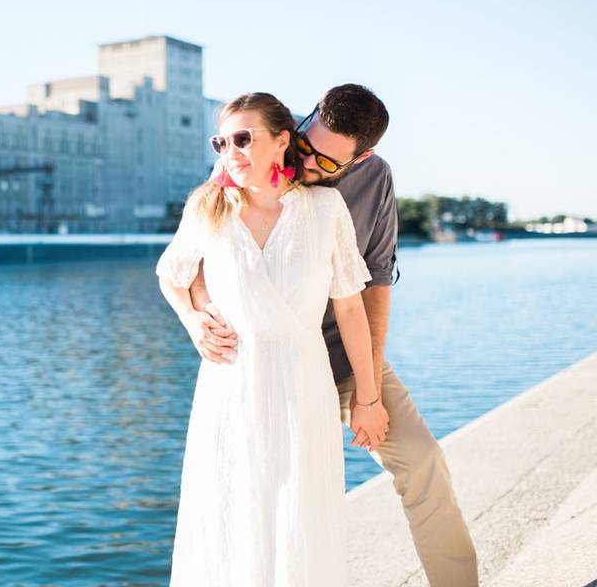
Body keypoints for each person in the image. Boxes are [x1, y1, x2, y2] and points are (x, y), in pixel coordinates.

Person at [188, 84, 478, 587]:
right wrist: (198, 318)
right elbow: (192, 260)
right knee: (261, 498)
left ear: (361, 157)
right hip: (261, 364)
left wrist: (368, 395)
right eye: (304, 144)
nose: (306, 162)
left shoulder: (374, 180)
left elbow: (375, 287)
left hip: (346, 355)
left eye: (325, 161)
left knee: (423, 461)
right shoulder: (250, 152)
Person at [156, 92, 388, 585]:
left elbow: (350, 307)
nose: (230, 151)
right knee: (229, 517)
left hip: (302, 387)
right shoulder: (207, 209)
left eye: (244, 139)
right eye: (222, 141)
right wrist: (193, 320)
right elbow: (171, 274)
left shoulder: (326, 208)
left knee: (299, 519)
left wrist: (369, 399)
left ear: (283, 140)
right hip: (229, 386)